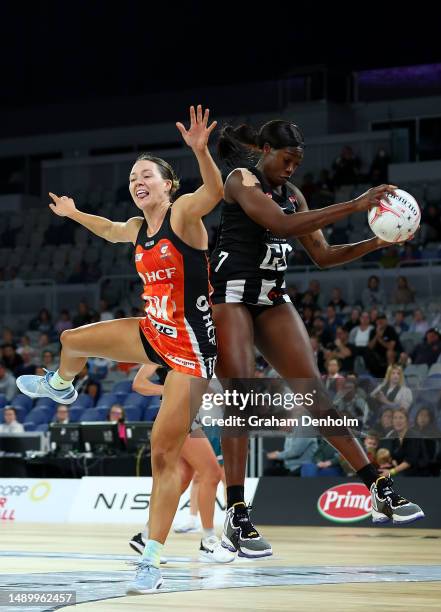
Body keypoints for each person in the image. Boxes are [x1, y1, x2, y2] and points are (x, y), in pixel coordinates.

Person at [16, 105, 223, 594]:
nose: (137, 181)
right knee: (71, 340)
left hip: (191, 351)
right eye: (133, 177)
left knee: (162, 453)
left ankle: (151, 560)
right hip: (154, 331)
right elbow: (109, 229)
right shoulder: (138, 227)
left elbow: (213, 191)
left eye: (146, 174)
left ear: (167, 184)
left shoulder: (184, 214)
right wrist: (72, 214)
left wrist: (201, 151)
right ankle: (61, 386)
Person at [210, 120, 423, 557]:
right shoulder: (239, 180)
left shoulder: (294, 196)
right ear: (265, 150)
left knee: (316, 395)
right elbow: (280, 227)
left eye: (298, 162)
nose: (292, 168)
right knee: (242, 397)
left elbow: (323, 255)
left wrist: (376, 242)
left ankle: (378, 487)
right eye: (286, 159)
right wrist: (355, 204)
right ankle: (236, 512)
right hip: (230, 297)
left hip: (271, 298)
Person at [129, 364, 233, 563]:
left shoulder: (193, 349)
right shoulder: (160, 348)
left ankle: (145, 535)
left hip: (191, 416)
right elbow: (139, 384)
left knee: (182, 480)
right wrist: (169, 390)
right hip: (175, 416)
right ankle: (208, 541)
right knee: (211, 473)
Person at [380, 408, 430, 478]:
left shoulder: (413, 436)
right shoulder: (393, 435)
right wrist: (391, 461)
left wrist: (391, 472)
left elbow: (409, 462)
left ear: (407, 421)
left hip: (417, 472)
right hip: (401, 470)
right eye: (395, 418)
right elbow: (393, 454)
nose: (398, 421)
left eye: (401, 418)